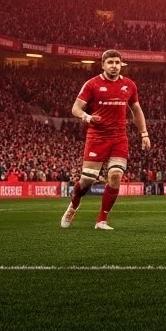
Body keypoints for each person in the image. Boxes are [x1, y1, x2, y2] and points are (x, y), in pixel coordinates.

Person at [61, 50, 151, 230]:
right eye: (110, 62)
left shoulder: (129, 85)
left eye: (117, 62)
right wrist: (86, 117)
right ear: (103, 65)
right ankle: (74, 205)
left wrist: (144, 133)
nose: (114, 66)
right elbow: (75, 108)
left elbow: (137, 110)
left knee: (115, 176)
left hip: (119, 137)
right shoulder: (92, 84)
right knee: (87, 181)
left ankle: (101, 220)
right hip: (97, 137)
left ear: (121, 64)